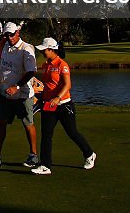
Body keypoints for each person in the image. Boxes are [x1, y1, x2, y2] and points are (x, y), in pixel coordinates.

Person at [30, 37, 96, 175]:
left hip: (64, 105)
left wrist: (57, 97)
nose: (42, 52)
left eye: (44, 50)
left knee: (72, 132)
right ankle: (45, 165)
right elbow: (47, 86)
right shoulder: (46, 65)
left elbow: (68, 85)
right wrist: (42, 98)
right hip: (49, 105)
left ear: (51, 49)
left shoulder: (62, 64)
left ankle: (89, 154)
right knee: (46, 135)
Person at [0, 22, 40, 169]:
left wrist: (17, 86)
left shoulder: (26, 48)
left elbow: (31, 71)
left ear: (18, 32)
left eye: (12, 34)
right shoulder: (4, 47)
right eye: (6, 34)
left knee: (28, 124)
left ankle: (33, 155)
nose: (9, 37)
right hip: (5, 94)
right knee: (0, 123)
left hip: (23, 95)